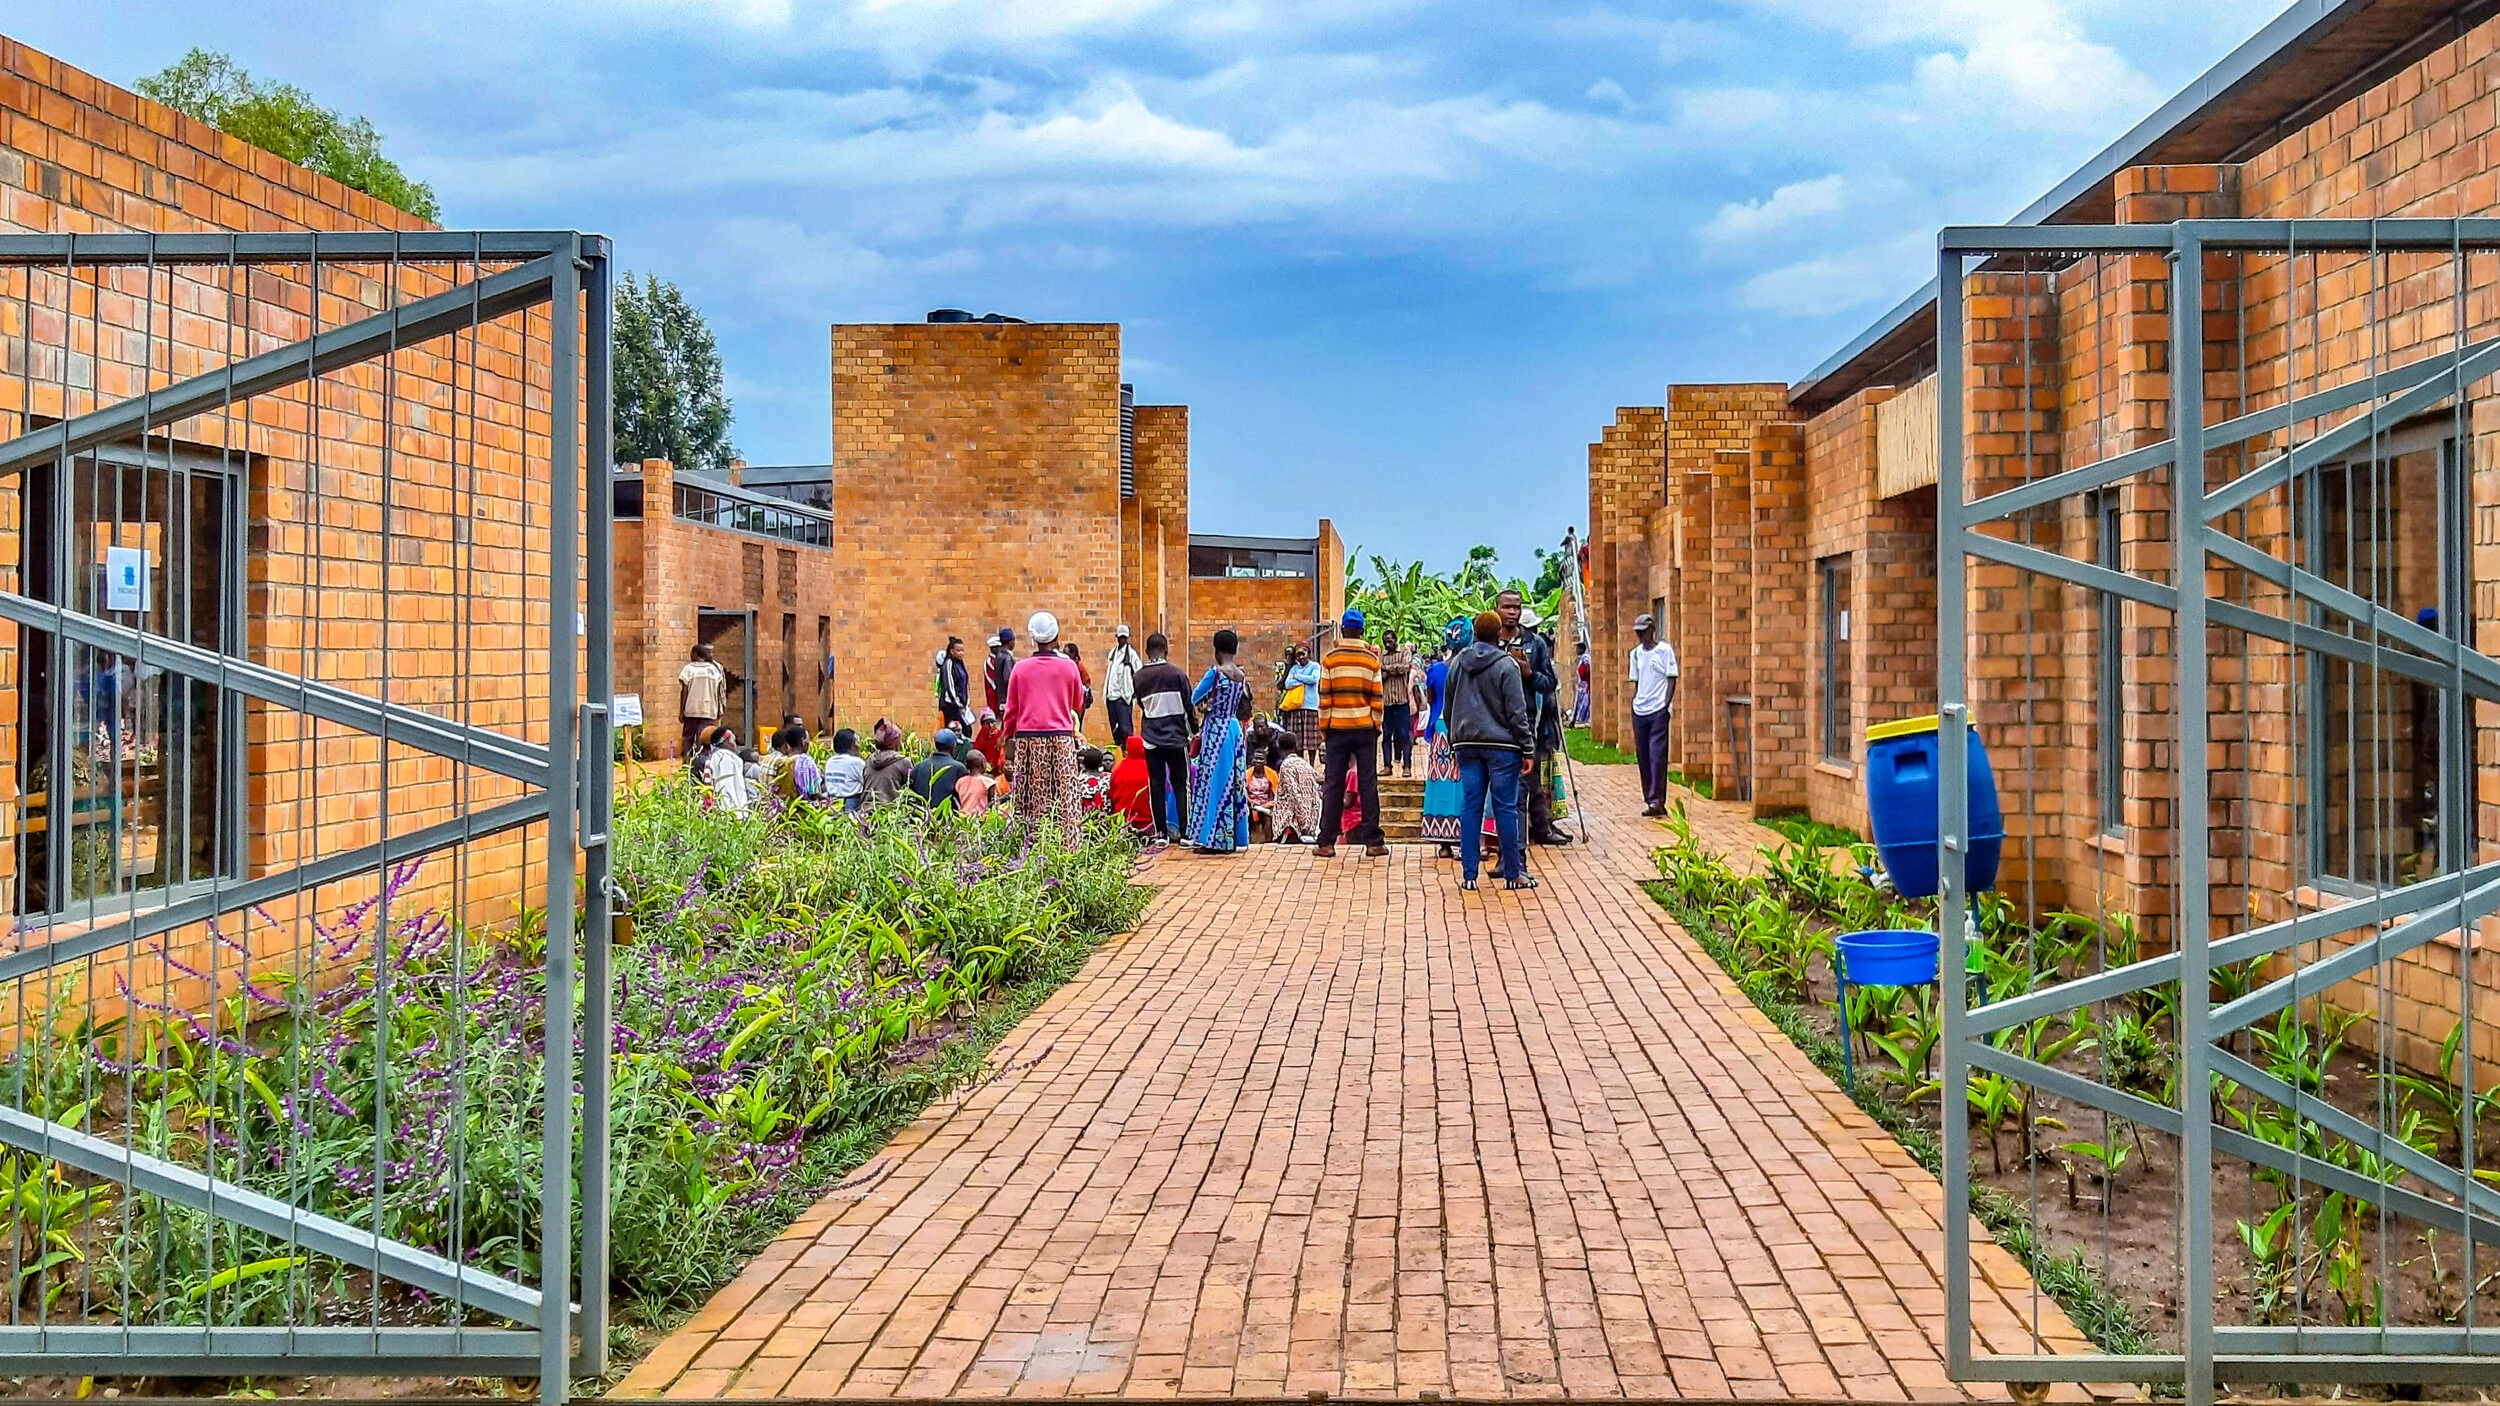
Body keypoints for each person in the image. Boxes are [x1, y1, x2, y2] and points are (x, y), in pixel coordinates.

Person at [1447, 611, 1534, 891]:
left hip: (1467, 745)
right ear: (1499, 634)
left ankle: (1469, 875)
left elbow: (1448, 709)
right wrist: (1527, 749)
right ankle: (1513, 873)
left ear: (1473, 632)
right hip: (1502, 748)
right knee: (1505, 808)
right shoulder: (1507, 665)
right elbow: (1516, 712)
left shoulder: (1458, 663)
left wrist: (1453, 740)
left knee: (1471, 807)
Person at [1003, 610, 1087, 845]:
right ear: (1056, 636)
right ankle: (1068, 845)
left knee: (1031, 797)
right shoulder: (1069, 667)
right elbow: (1077, 702)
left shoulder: (1020, 668)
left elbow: (1011, 710)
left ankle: (1030, 845)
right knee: (1064, 796)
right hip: (1061, 739)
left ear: (1033, 639)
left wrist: (1005, 736)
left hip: (1029, 741)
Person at [1498, 590, 1571, 847]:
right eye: (1507, 607)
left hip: (1527, 721)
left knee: (1531, 776)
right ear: (1497, 609)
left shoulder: (1535, 643)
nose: (1512, 612)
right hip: (1494, 721)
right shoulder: (1488, 643)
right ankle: (1497, 836)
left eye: (1516, 608)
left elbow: (1550, 682)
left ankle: (1539, 827)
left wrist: (1529, 674)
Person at [1314, 608, 1385, 859]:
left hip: (1336, 729)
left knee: (1333, 783)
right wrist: (1375, 726)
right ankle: (1374, 842)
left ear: (1343, 630)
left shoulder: (1330, 659)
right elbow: (1377, 698)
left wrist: (1325, 730)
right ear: (1362, 632)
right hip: (1365, 728)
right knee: (1368, 783)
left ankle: (1326, 842)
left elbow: (1324, 699)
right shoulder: (1371, 661)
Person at [1186, 628, 1253, 853]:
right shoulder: (1240, 675)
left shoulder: (1215, 673)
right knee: (1233, 782)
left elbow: (1195, 697)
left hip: (1216, 730)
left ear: (1216, 650)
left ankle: (1215, 840)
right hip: (1234, 729)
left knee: (1213, 783)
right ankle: (1233, 837)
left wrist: (1207, 706)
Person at [1132, 631, 1195, 841]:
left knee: (1156, 785)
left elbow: (1141, 704)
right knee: (1181, 785)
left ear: (1147, 652)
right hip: (1177, 738)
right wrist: (1194, 731)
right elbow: (1189, 706)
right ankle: (1186, 833)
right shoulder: (1177, 674)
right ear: (1166, 650)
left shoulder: (1139, 677)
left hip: (1151, 739)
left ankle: (1160, 833)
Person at [1628, 611, 1680, 816]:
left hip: (1658, 710)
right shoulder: (1635, 654)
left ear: (1652, 630)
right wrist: (1636, 704)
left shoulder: (1665, 651)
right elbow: (1637, 682)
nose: (1641, 636)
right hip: (1640, 710)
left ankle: (1658, 800)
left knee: (1657, 754)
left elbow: (1671, 678)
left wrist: (1665, 705)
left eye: (1644, 632)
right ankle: (1649, 798)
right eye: (1638, 632)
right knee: (1643, 754)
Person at [1419, 626, 1465, 858]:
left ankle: (1444, 844)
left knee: (1440, 782)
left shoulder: (1436, 670)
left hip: (1440, 729)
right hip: (1465, 729)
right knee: (1464, 782)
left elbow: (1430, 699)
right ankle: (1463, 838)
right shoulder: (1469, 667)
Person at [678, 642, 728, 758]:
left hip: (691, 709)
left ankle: (686, 762)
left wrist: (681, 711)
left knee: (688, 737)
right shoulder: (715, 670)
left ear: (695, 655)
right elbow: (719, 692)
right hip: (709, 710)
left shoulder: (688, 669)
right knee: (703, 737)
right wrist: (719, 710)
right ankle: (701, 761)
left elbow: (684, 691)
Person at [1379, 630, 1418, 778]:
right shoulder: (1382, 656)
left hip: (1402, 701)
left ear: (1395, 640)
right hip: (1387, 702)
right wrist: (1393, 670)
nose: (1387, 644)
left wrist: (1388, 669)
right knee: (1387, 735)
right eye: (1385, 641)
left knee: (1404, 734)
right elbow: (1379, 673)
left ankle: (1407, 765)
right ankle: (1387, 765)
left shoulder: (1404, 652)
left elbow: (1405, 667)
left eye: (1389, 641)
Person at [1273, 733, 1322, 843]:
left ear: (1279, 747)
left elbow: (1294, 795)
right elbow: (1314, 795)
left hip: (1291, 825)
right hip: (1308, 823)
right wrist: (1310, 822)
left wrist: (1302, 822)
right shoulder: (1305, 765)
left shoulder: (1286, 766)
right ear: (1296, 746)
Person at [908, 727, 970, 810]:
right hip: (948, 819)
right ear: (953, 747)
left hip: (921, 818)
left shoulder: (918, 767)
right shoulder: (959, 769)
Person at [1103, 626, 1144, 748]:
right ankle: (1119, 752)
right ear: (1116, 637)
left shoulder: (1131, 655)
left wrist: (1134, 692)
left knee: (1125, 728)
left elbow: (1139, 673)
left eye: (1124, 638)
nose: (1122, 640)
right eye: (1120, 638)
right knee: (1115, 728)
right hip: (1111, 696)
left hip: (1123, 697)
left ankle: (1128, 752)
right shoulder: (1112, 654)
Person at [697, 725, 753, 814]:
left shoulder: (714, 756)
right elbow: (727, 787)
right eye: (733, 740)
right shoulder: (726, 759)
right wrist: (735, 813)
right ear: (725, 742)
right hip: (729, 811)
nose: (735, 744)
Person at [1281, 644, 1323, 758]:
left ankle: (1312, 764)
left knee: (1311, 741)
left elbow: (1314, 679)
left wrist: (1298, 677)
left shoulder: (1315, 666)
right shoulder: (1294, 668)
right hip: (1296, 707)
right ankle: (1300, 762)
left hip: (1310, 707)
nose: (1300, 657)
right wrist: (1304, 679)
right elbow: (1288, 684)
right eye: (1298, 655)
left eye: (1302, 654)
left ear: (1309, 654)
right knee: (1298, 740)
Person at [1108, 735, 1155, 838]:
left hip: (1123, 820)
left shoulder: (1119, 770)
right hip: (1149, 822)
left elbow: (1111, 794)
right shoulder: (1152, 768)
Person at [862, 719, 913, 808]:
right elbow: (911, 790)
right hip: (890, 813)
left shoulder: (869, 760)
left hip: (866, 811)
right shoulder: (903, 762)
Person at [768, 724, 822, 804]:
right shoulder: (808, 762)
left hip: (785, 809)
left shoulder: (781, 762)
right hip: (805, 810)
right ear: (803, 741)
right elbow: (814, 792)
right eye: (808, 740)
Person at [825, 727, 867, 813]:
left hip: (832, 804)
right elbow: (867, 782)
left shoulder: (830, 762)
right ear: (852, 745)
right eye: (857, 742)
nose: (859, 745)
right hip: (852, 803)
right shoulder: (856, 762)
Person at [934, 636, 972, 730]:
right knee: (954, 729)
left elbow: (965, 683)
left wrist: (966, 702)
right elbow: (949, 685)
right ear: (952, 651)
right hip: (950, 705)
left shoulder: (961, 664)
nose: (961, 653)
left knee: (967, 730)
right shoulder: (949, 663)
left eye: (962, 650)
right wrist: (957, 702)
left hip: (961, 705)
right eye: (958, 651)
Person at [1245, 747, 1279, 844]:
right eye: (1256, 758)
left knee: (1267, 817)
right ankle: (1247, 841)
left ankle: (1268, 843)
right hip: (1250, 804)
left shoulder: (1272, 774)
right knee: (1247, 815)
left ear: (1265, 761)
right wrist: (1251, 803)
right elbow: (1243, 791)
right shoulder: (1247, 774)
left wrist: (1266, 805)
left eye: (1261, 759)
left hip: (1266, 805)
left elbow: (1275, 793)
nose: (1258, 761)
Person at [983, 628, 1017, 717]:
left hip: (1001, 700)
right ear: (1011, 642)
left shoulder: (998, 657)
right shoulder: (1007, 657)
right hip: (1007, 700)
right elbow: (1008, 679)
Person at [1066, 642, 1096, 736]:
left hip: (1078, 702)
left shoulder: (1079, 667)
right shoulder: (1065, 667)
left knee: (1076, 725)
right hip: (1067, 701)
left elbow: (1087, 683)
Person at [971, 707, 1006, 777]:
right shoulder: (980, 739)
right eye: (987, 723)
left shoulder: (1001, 735)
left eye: (992, 722)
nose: (990, 725)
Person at [1078, 745, 1112, 815]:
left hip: (1084, 820)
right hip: (1105, 818)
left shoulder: (1079, 779)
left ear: (1084, 763)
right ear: (1101, 763)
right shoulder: (1109, 778)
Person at [1572, 641, 1593, 727]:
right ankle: (1579, 719)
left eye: (1577, 648)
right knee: (1580, 702)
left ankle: (1584, 719)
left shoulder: (1585, 657)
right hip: (1582, 685)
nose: (1576, 650)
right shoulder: (1581, 658)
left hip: (1585, 685)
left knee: (1585, 702)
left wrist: (1585, 675)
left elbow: (1588, 666)